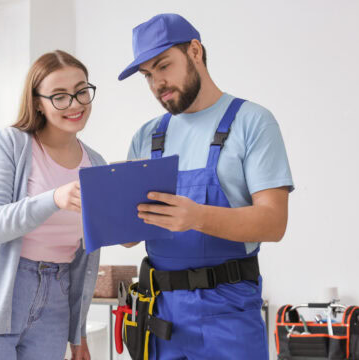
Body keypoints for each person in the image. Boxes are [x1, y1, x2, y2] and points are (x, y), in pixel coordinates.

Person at [118, 14, 294, 359]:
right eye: (148, 75)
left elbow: (274, 223)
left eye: (163, 66)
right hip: (161, 315)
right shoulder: (147, 136)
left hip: (228, 313)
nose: (157, 83)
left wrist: (196, 217)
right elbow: (129, 235)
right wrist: (101, 211)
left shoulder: (252, 121)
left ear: (195, 51)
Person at [0, 50, 106, 360]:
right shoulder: (11, 143)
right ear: (37, 101)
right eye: (59, 96)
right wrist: (54, 199)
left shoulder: (96, 164)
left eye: (81, 91)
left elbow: (85, 262)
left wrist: (79, 332)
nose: (75, 104)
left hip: (56, 304)